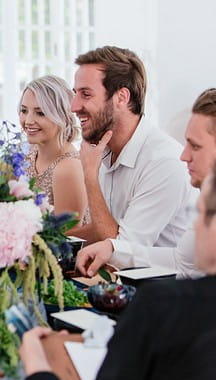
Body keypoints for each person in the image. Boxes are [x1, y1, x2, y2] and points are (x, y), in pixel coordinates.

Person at [20, 164, 216, 380]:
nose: (194, 226)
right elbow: (179, 259)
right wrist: (114, 249)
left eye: (201, 213)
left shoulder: (162, 305)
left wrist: (37, 367)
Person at [77, 88, 216, 279]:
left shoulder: (163, 162)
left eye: (196, 147)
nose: (184, 156)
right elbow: (181, 262)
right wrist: (113, 249)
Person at [67, 46, 195, 246]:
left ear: (121, 97)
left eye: (86, 94)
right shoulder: (103, 149)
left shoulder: (163, 162)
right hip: (122, 275)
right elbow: (104, 227)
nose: (73, 106)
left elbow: (123, 250)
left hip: (164, 276)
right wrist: (45, 242)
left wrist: (90, 176)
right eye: (76, 94)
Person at [21, 75, 87, 223]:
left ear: (62, 116)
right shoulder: (24, 155)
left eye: (40, 113)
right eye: (24, 110)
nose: (28, 121)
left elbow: (66, 238)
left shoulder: (68, 168)